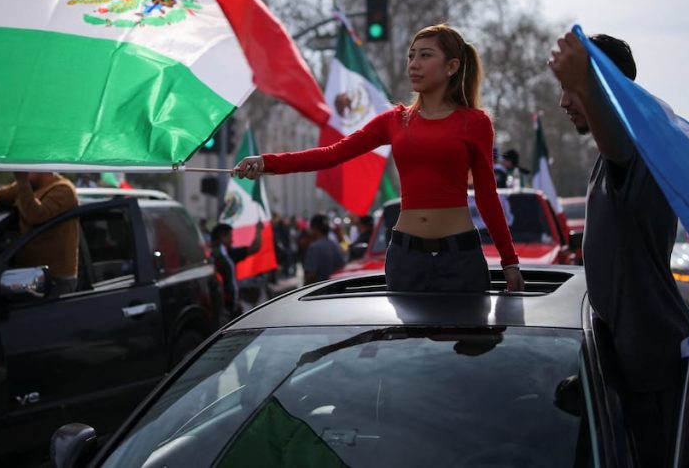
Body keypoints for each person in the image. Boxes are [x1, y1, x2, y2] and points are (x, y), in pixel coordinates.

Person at [234, 24, 525, 293]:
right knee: (407, 348)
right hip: (406, 256)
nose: (414, 64)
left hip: (460, 256)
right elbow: (333, 154)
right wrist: (266, 162)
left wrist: (509, 262)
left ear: (452, 66)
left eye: (425, 55)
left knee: (470, 344)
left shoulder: (475, 123)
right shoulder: (395, 121)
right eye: (411, 56)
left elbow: (487, 196)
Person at [548, 32, 689, 467]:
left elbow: (615, 138)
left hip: (649, 363)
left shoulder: (634, 147)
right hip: (621, 363)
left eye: (571, 89)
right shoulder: (612, 154)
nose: (563, 102)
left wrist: (590, 85)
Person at [0, 172, 80, 294]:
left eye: (26, 170)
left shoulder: (64, 190)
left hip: (55, 278)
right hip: (28, 275)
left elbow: (36, 215)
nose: (23, 173)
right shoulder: (28, 186)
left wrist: (23, 181)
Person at [210, 221, 263, 316]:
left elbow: (255, 248)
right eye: (230, 237)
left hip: (230, 308)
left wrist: (258, 230)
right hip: (220, 311)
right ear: (222, 237)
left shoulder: (229, 254)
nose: (232, 241)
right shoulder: (213, 257)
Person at [303, 214, 345, 284]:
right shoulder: (335, 245)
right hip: (334, 288)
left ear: (314, 229)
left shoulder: (314, 248)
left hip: (319, 290)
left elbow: (311, 275)